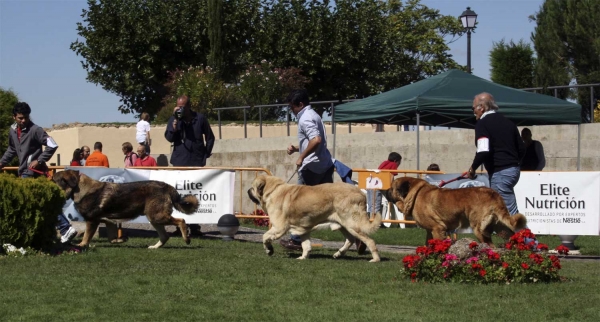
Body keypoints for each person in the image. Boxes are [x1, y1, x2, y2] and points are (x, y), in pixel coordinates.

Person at [0, 102, 78, 243]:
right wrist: (2, 162)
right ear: (14, 117)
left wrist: (40, 160)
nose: (24, 120)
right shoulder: (12, 131)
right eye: (20, 118)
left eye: (26, 117)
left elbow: (52, 145)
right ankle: (61, 229)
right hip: (23, 171)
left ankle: (63, 228)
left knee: (30, 203)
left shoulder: (36, 130)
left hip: (32, 173)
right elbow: (12, 149)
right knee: (41, 203)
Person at [279, 89, 335, 251]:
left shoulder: (305, 118)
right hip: (324, 164)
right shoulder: (315, 115)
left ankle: (296, 240)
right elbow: (316, 141)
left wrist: (301, 156)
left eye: (292, 107)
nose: (291, 111)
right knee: (333, 207)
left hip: (311, 168)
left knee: (298, 204)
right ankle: (355, 236)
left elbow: (315, 140)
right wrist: (298, 148)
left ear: (300, 104)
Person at [467, 92, 525, 217]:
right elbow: (521, 148)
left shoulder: (482, 124)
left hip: (500, 172)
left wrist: (472, 168)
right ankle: (510, 235)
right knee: (499, 212)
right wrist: (513, 163)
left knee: (509, 213)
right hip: (513, 170)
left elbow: (483, 151)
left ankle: (527, 237)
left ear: (481, 108)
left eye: (473, 108)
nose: (473, 112)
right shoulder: (509, 123)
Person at [164, 95, 215, 237]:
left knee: (195, 194)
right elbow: (168, 138)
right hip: (180, 160)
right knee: (179, 194)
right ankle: (180, 225)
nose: (180, 109)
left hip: (196, 160)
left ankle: (195, 226)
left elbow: (210, 137)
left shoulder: (200, 118)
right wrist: (174, 126)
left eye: (183, 106)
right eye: (178, 106)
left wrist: (206, 154)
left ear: (189, 106)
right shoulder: (174, 118)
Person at [367, 152, 402, 217]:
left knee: (371, 204)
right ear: (395, 161)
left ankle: (370, 219)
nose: (399, 165)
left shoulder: (384, 163)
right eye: (399, 162)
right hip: (377, 185)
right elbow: (391, 176)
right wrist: (392, 187)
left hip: (371, 183)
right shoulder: (393, 164)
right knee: (376, 204)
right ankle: (375, 221)